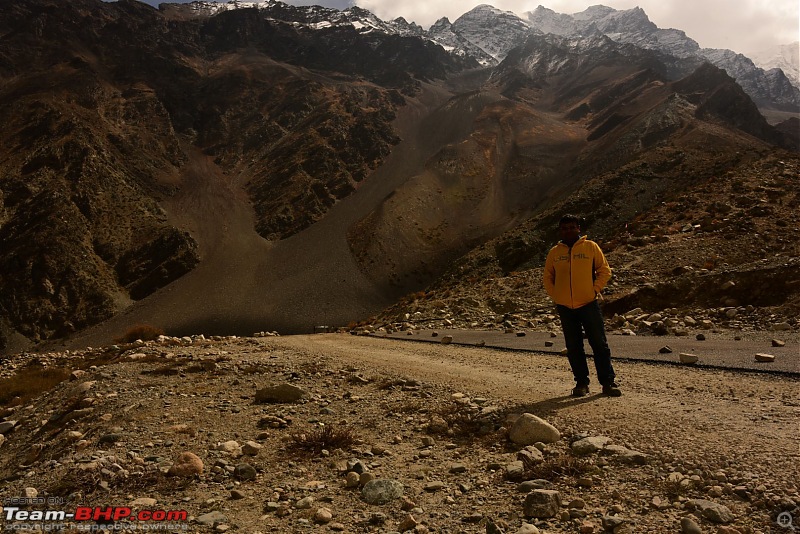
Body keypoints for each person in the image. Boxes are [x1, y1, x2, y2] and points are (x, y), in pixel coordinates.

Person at [543, 214, 621, 397]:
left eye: (572, 227)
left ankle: (608, 383)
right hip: (565, 307)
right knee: (574, 346)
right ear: (560, 231)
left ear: (579, 228)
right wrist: (556, 295)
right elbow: (548, 276)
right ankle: (581, 383)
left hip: (588, 304)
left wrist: (594, 290)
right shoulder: (555, 252)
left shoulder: (590, 247)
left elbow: (604, 270)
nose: (568, 231)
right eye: (564, 228)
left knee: (599, 344)